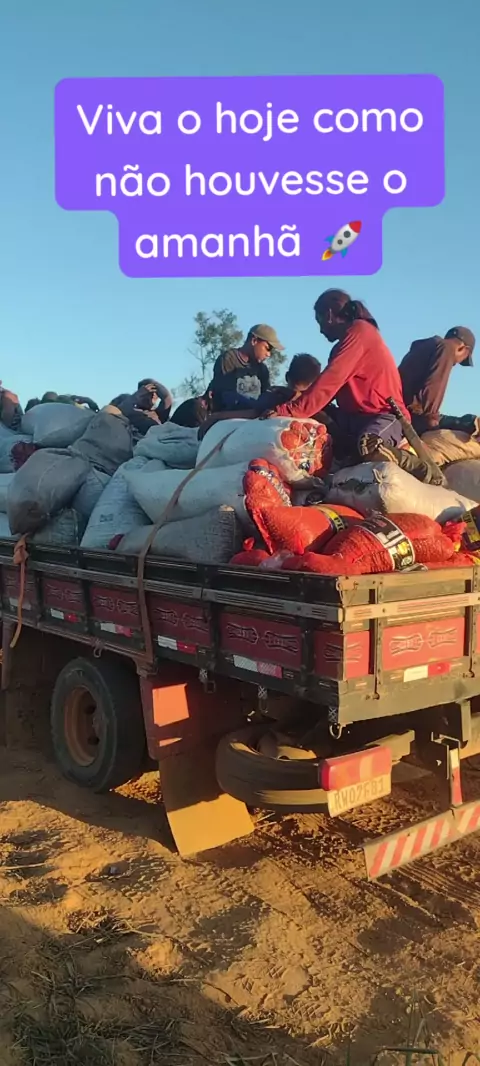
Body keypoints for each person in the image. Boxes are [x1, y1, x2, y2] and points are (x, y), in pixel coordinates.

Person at [267, 290, 441, 483]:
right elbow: (328, 391)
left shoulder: (361, 332)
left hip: (384, 415)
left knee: (369, 445)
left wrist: (290, 409)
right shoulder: (341, 345)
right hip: (352, 419)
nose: (320, 330)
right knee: (318, 419)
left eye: (319, 321)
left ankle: (416, 466)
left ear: (330, 315)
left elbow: (330, 380)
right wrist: (294, 396)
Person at [197, 354, 321, 439]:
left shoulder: (275, 397)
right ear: (315, 384)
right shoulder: (318, 408)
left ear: (287, 376)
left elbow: (253, 412)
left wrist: (216, 417)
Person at [399, 326, 476, 435]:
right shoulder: (446, 348)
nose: (456, 364)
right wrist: (432, 419)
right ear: (463, 349)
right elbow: (434, 385)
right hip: (412, 414)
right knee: (470, 423)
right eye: (463, 359)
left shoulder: (427, 345)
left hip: (401, 405)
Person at [209, 323, 284, 413]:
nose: (268, 354)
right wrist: (256, 406)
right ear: (254, 341)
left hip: (253, 417)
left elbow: (266, 396)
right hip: (228, 417)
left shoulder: (262, 369)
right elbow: (227, 397)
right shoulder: (228, 359)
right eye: (267, 348)